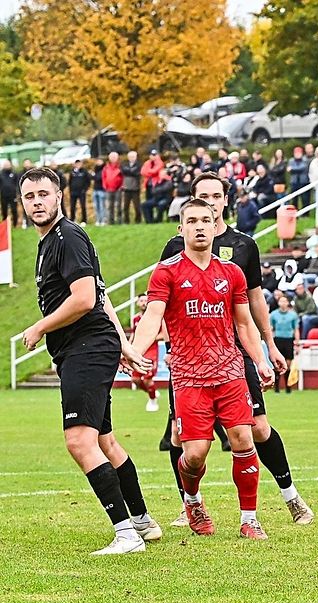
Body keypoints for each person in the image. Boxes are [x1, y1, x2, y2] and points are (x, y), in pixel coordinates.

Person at [159, 172, 315, 526]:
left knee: (257, 428)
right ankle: (190, 505)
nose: (210, 203)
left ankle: (290, 496)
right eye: (203, 197)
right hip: (190, 360)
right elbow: (163, 302)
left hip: (235, 353)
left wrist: (269, 346)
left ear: (226, 201)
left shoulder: (244, 245)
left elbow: (255, 302)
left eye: (216, 196)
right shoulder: (175, 247)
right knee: (179, 437)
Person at [21, 166, 160, 554]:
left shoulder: (67, 236)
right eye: (30, 197)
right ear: (22, 203)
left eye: (43, 194)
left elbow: (83, 300)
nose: (37, 202)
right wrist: (126, 345)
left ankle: (126, 535)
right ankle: (143, 523)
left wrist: (39, 327)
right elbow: (101, 297)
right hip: (89, 346)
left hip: (87, 347)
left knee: (79, 441)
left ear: (59, 196)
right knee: (105, 441)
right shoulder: (51, 242)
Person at [133, 199, 273, 539]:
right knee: (194, 454)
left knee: (244, 438)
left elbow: (244, 325)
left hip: (229, 371)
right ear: (181, 229)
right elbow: (152, 316)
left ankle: (249, 519)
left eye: (205, 220)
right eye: (191, 220)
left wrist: (261, 358)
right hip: (188, 376)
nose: (199, 226)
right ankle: (193, 500)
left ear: (215, 226)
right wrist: (135, 350)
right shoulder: (166, 272)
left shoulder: (232, 273)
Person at [131, 293, 163, 412]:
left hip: (151, 351)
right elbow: (134, 334)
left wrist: (149, 337)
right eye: (141, 301)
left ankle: (153, 401)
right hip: (139, 351)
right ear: (138, 303)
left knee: (147, 379)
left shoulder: (156, 318)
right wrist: (129, 347)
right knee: (135, 380)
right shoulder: (135, 318)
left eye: (146, 300)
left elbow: (163, 334)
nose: (144, 303)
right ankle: (152, 392)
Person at [269, 293, 299, 393]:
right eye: (281, 301)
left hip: (288, 339)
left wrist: (297, 343)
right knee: (277, 364)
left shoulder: (293, 315)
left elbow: (296, 329)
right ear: (278, 303)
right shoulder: (273, 314)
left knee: (288, 363)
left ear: (288, 303)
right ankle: (276, 388)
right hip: (278, 339)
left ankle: (288, 387)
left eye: (285, 301)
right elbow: (271, 328)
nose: (283, 303)